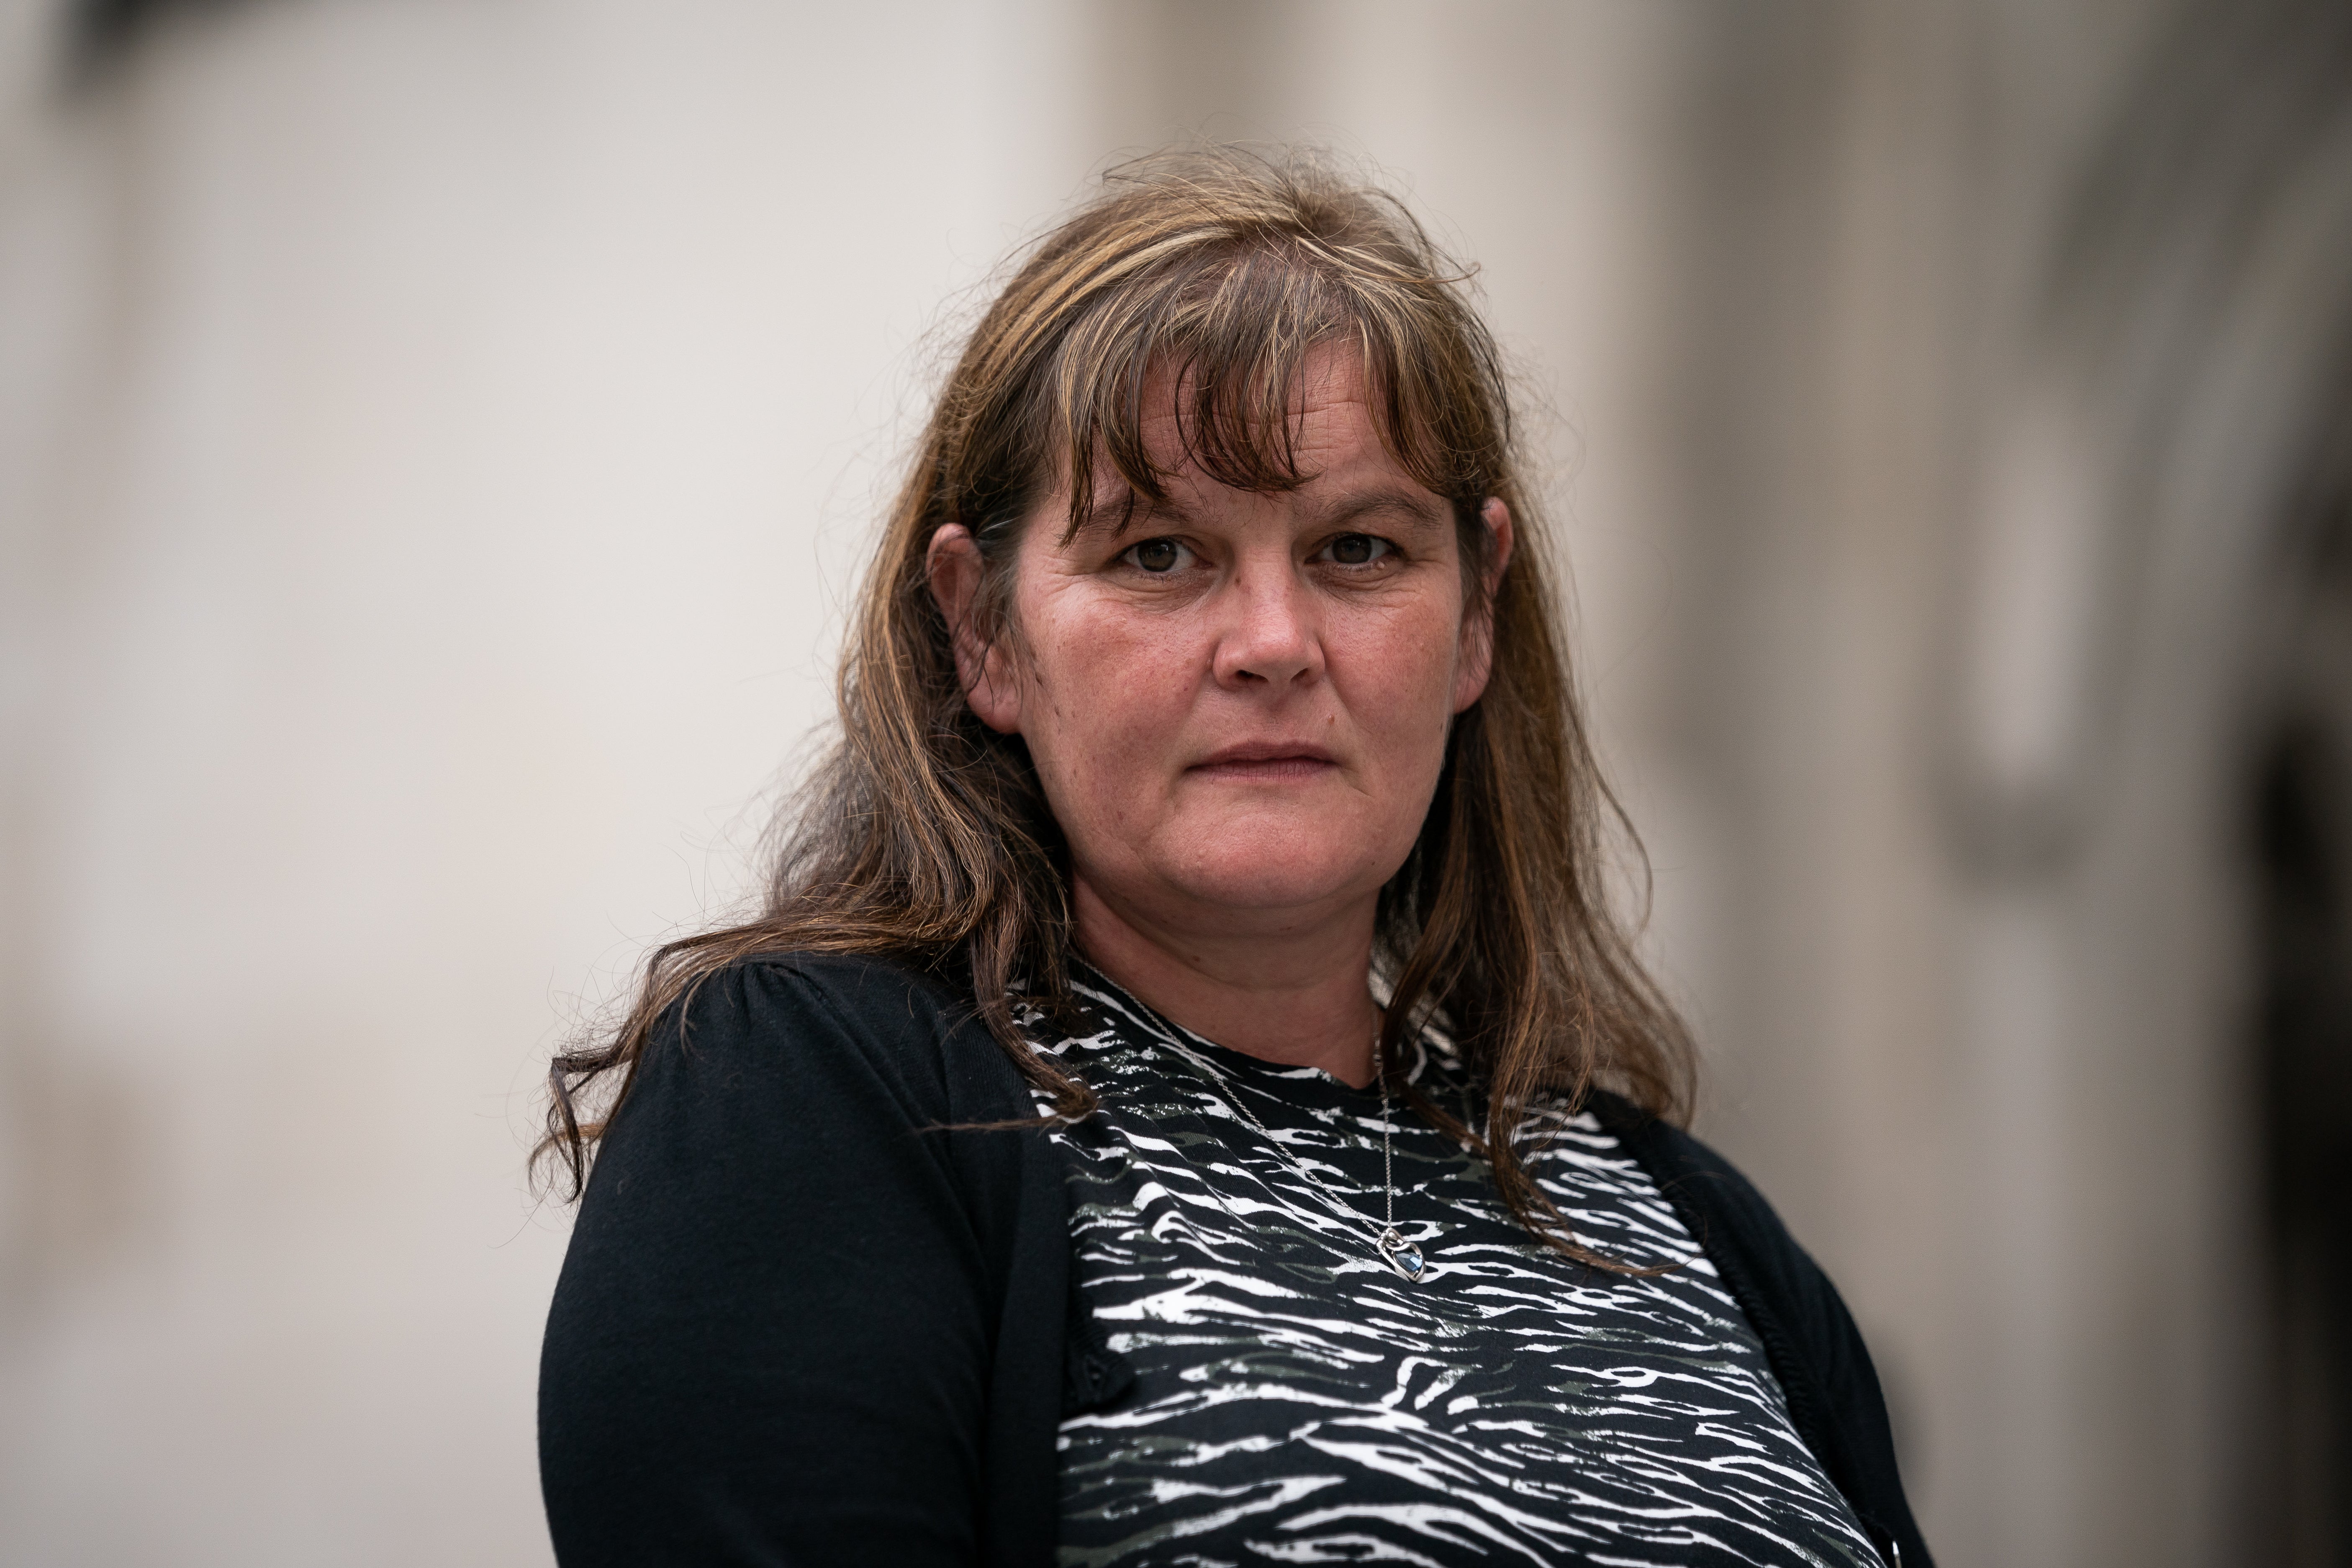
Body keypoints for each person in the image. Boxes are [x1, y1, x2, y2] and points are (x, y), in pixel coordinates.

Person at [535, 148, 1931, 1568]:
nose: (1273, 642)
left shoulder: (1690, 1219)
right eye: (1157, 554)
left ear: (1473, 616)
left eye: (1358, 549)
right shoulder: (822, 1103)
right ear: (982, 631)